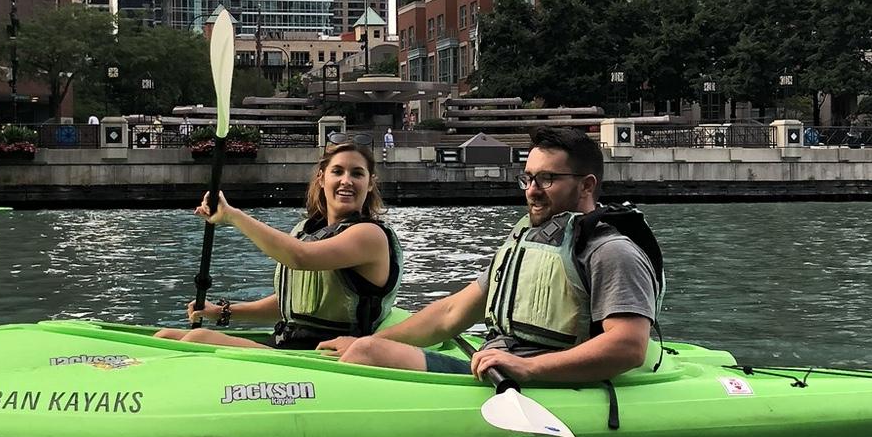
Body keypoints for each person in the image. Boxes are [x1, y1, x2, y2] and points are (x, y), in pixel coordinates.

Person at [323, 125, 664, 388]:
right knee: (366, 348)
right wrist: (367, 338)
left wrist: (529, 368)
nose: (532, 190)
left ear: (587, 185)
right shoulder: (526, 241)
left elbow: (629, 345)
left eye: (547, 179)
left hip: (536, 381)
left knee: (367, 356)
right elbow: (450, 313)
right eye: (528, 178)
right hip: (498, 368)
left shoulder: (611, 251)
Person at [155, 138, 402, 350]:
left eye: (357, 173)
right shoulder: (308, 230)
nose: (346, 180)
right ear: (321, 179)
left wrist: (232, 216)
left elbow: (300, 257)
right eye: (337, 171)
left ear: (370, 183)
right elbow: (292, 302)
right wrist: (222, 312)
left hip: (330, 354)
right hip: (289, 344)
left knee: (199, 338)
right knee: (165, 336)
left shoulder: (370, 235)